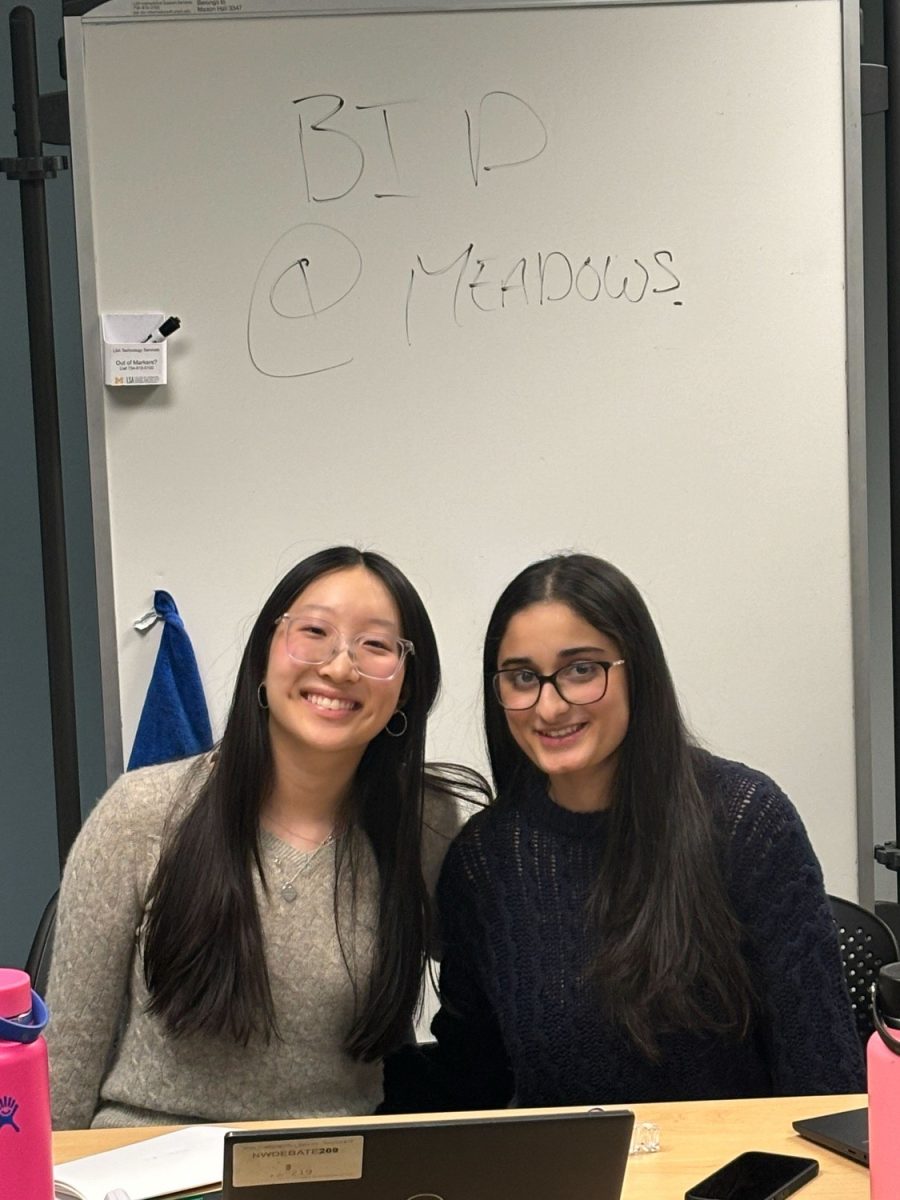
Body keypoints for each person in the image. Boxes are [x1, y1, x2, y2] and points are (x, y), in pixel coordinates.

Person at [382, 553, 865, 1111]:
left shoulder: (744, 819)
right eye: (521, 677)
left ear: (635, 668)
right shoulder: (485, 861)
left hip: (737, 1178)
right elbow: (472, 1077)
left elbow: (824, 1076)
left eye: (581, 669)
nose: (550, 704)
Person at [47, 546, 484, 1129]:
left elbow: (499, 1005)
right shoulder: (141, 813)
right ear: (264, 654)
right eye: (314, 632)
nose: (339, 667)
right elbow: (62, 1075)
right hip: (146, 1166)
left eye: (375, 645)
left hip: (340, 1169)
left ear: (404, 688)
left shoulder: (425, 826)